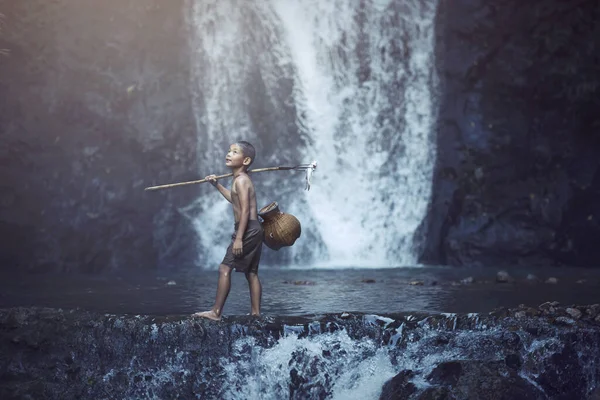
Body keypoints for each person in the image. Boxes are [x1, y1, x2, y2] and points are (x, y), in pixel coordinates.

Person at [193, 141, 264, 321]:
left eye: (235, 152)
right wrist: (217, 185)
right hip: (254, 228)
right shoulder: (240, 180)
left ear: (246, 160)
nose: (229, 154)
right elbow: (235, 201)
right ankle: (256, 314)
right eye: (229, 151)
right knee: (252, 272)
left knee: (225, 268)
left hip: (247, 229)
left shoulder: (241, 180)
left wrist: (239, 238)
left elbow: (246, 211)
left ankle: (216, 312)